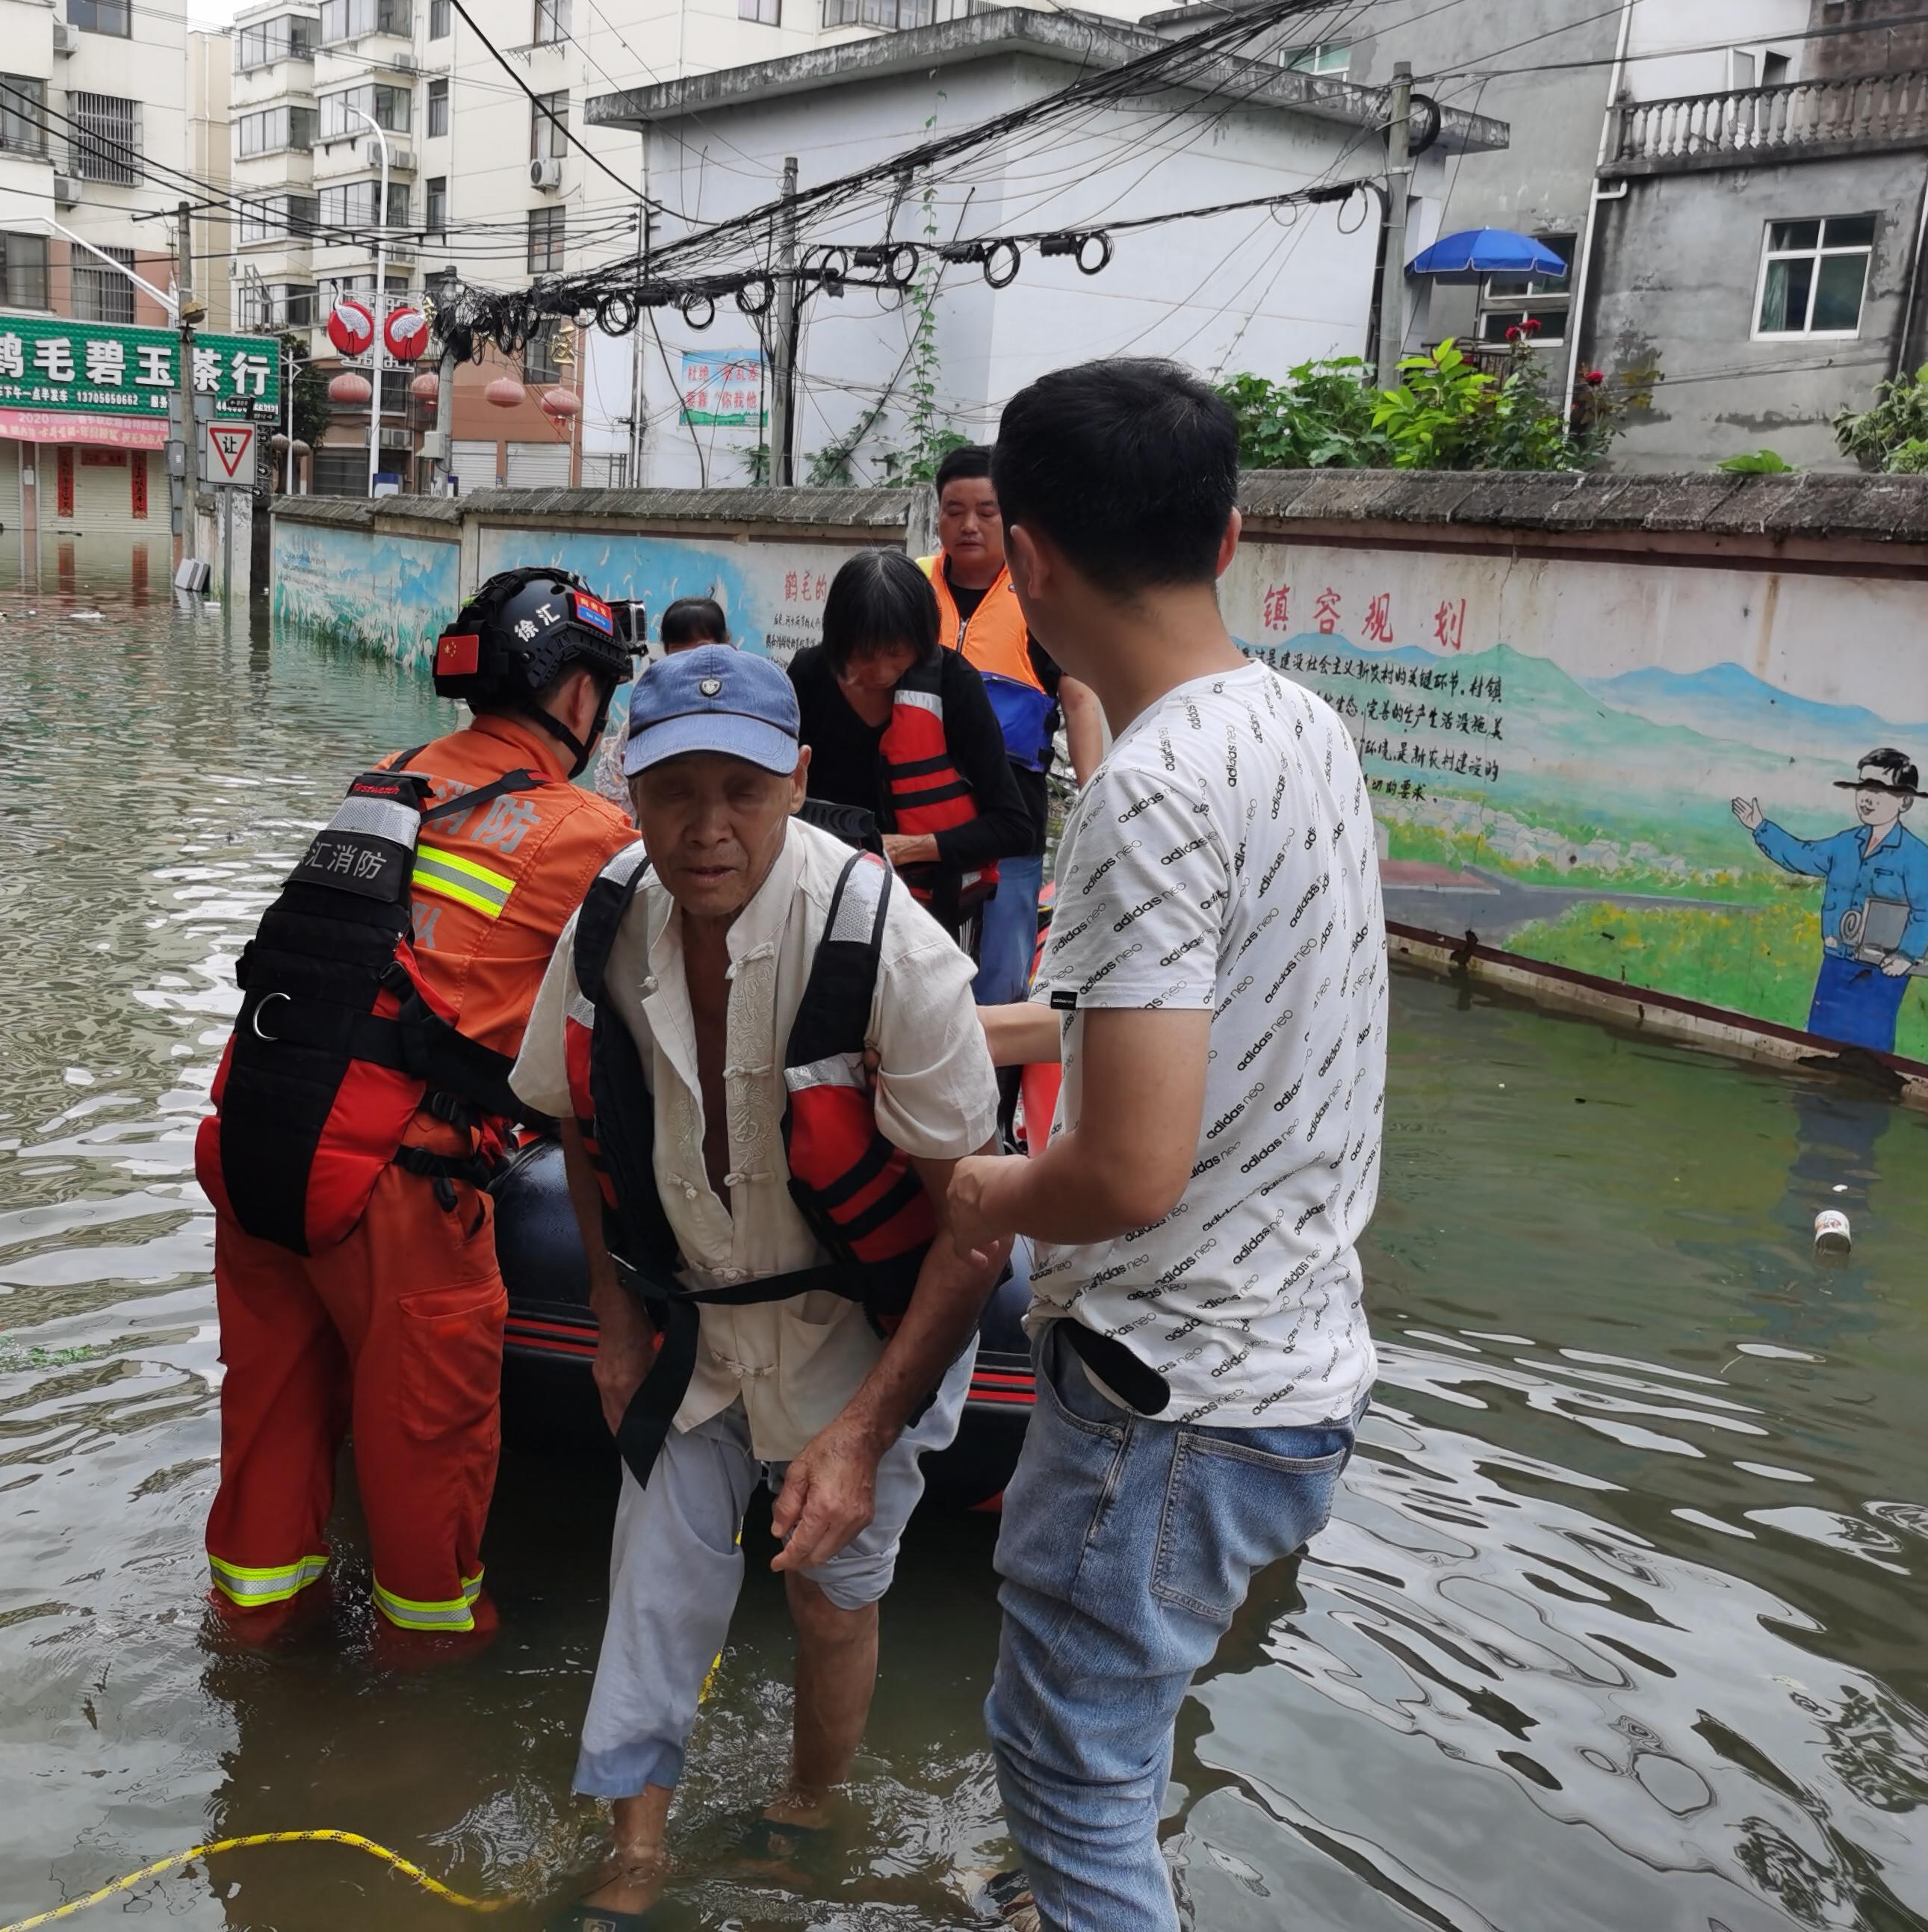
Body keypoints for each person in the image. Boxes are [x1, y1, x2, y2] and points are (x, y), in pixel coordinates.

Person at [934, 361, 1389, 1932]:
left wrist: (984, 1185)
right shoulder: (1301, 729)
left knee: (1066, 1772)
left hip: (1166, 1400)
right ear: (1231, 535)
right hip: (1295, 1374)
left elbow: (1126, 1169)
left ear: (1031, 558)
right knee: (1107, 1769)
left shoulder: (1149, 788)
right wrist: (952, 1036)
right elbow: (1189, 1023)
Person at [511, 645, 1005, 1925]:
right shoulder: (611, 916)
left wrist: (860, 1431)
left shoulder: (883, 947)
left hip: (859, 1326)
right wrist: (615, 1323)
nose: (706, 826)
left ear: (795, 778)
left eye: (741, 786)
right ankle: (632, 1860)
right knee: (653, 1579)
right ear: (629, 783)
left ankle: (804, 1809)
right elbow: (573, 1107)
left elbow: (972, 1229)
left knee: (828, 1595)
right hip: (693, 1316)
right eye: (676, 789)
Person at [195, 569, 638, 1650]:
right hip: (395, 1185)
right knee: (428, 1448)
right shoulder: (585, 831)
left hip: (253, 1137)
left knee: (271, 1422)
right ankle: (422, 1706)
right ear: (579, 698)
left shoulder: (387, 781)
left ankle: (256, 1649)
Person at [919, 447, 1106, 1009]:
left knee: (999, 983)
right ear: (937, 516)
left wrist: (1095, 799)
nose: (969, 525)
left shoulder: (1042, 593)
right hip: (916, 808)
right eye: (954, 510)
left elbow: (1078, 698)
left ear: (1012, 516)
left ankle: (992, 1094)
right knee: (910, 971)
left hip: (1011, 811)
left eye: (987, 510)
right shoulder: (909, 586)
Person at [787, 550, 1036, 942]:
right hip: (822, 898)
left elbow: (1014, 827)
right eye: (865, 655)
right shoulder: (809, 674)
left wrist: (903, 849)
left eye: (897, 653)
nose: (883, 672)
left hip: (929, 915)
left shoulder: (954, 684)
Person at [1732, 749, 1928, 1054]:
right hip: (1836, 962)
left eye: (1878, 790)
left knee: (1866, 1056)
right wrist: (1760, 827)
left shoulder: (1915, 853)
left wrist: (1907, 955)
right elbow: (1803, 856)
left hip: (1881, 972)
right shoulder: (1846, 843)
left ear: (1904, 800)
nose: (1866, 798)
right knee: (1820, 1047)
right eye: (1862, 788)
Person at [590, 592, 732, 817]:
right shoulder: (651, 704)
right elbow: (617, 782)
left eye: (702, 649)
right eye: (679, 653)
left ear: (724, 644)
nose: (691, 662)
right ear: (667, 653)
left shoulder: (740, 701)